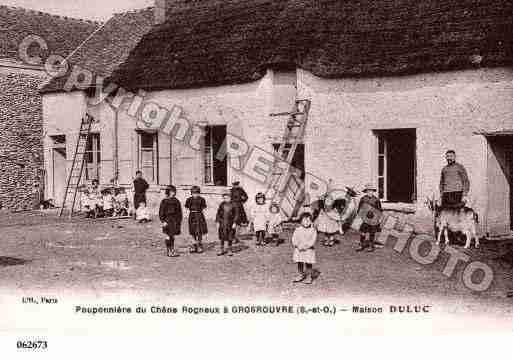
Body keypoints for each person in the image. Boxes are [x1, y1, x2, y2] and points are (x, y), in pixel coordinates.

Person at [292, 212, 318, 285]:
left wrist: (307, 246)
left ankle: (309, 276)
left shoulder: (313, 230)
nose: (306, 223)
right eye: (304, 221)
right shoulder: (298, 229)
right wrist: (297, 245)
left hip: (308, 250)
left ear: (311, 221)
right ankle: (300, 274)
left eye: (308, 221)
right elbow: (294, 239)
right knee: (300, 262)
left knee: (308, 263)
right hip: (299, 249)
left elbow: (313, 240)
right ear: (301, 221)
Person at [356, 184, 382, 252]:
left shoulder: (376, 200)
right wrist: (361, 215)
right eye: (368, 191)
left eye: (371, 191)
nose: (370, 192)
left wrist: (377, 218)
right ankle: (361, 245)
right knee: (363, 232)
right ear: (366, 191)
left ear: (373, 191)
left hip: (373, 219)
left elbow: (379, 210)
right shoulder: (363, 199)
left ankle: (371, 246)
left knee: (372, 232)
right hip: (365, 219)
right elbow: (359, 209)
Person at [159, 185, 182, 257]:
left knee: (173, 236)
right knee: (168, 235)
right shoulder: (164, 201)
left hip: (174, 220)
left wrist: (179, 221)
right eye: (171, 191)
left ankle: (172, 249)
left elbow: (179, 212)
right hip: (167, 220)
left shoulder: (176, 201)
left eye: (174, 191)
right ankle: (168, 250)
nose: (173, 193)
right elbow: (161, 212)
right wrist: (163, 221)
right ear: (168, 192)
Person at [185, 186, 208, 254]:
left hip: (199, 216)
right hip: (192, 216)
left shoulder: (202, 199)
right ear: (191, 193)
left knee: (199, 231)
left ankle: (199, 245)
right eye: (193, 193)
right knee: (192, 231)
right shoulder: (189, 199)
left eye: (197, 193)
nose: (195, 195)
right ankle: (194, 245)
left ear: (199, 193)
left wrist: (200, 213)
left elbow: (204, 208)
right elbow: (186, 208)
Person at [215, 191, 237, 256]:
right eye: (224, 198)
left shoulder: (234, 205)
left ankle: (229, 249)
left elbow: (236, 214)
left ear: (230, 198)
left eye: (227, 198)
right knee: (222, 237)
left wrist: (235, 222)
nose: (226, 199)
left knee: (230, 237)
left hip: (230, 223)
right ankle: (221, 249)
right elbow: (218, 213)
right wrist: (218, 221)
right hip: (222, 223)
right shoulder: (222, 204)